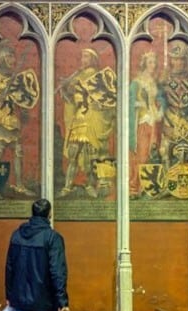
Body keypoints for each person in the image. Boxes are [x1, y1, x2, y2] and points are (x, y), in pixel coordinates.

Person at [5, 198, 69, 311]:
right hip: (45, 300)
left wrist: (9, 295)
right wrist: (62, 301)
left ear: (32, 214)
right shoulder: (52, 238)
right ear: (49, 214)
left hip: (20, 298)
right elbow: (57, 272)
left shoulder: (17, 235)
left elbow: (9, 267)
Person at [0, 41, 39, 199]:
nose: (13, 59)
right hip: (0, 118)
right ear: (3, 57)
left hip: (13, 118)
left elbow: (20, 98)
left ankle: (19, 185)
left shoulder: (15, 77)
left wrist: (24, 111)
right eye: (10, 56)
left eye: (14, 56)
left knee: (18, 152)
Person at [59, 47, 116, 198]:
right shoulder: (77, 76)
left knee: (90, 155)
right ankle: (68, 186)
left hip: (91, 118)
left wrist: (100, 106)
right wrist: (65, 86)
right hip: (79, 117)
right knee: (74, 153)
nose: (83, 60)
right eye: (82, 57)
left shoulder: (95, 76)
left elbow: (107, 98)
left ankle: (89, 185)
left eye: (86, 57)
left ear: (93, 60)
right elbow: (71, 97)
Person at [129, 50, 166, 198]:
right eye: (150, 62)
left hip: (154, 121)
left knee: (152, 153)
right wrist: (141, 105)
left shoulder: (154, 82)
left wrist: (160, 108)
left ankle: (147, 186)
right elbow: (130, 102)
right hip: (142, 121)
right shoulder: (136, 83)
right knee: (141, 155)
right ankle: (133, 187)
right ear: (144, 63)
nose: (153, 65)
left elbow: (160, 99)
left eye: (155, 62)